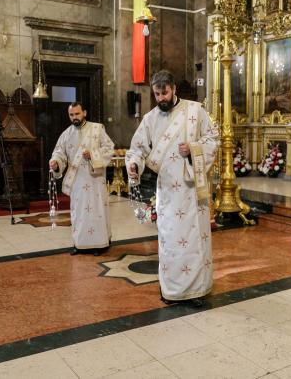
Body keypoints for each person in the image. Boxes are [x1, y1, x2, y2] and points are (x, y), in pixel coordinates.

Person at [126, 70, 219, 306]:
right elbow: (137, 148)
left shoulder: (195, 111)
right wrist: (134, 165)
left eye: (164, 92)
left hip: (192, 191)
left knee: (194, 241)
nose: (161, 98)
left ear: (173, 88)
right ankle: (172, 290)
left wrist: (193, 148)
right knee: (170, 242)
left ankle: (196, 290)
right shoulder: (149, 120)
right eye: (157, 94)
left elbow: (213, 140)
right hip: (167, 192)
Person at [49, 102, 114, 256]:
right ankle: (79, 244)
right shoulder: (66, 134)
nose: (74, 117)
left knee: (96, 211)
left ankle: (100, 244)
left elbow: (109, 148)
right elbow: (59, 153)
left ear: (84, 112)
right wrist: (55, 163)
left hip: (95, 179)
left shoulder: (97, 128)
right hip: (77, 180)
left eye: (77, 114)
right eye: (71, 115)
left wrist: (92, 154)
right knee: (79, 213)